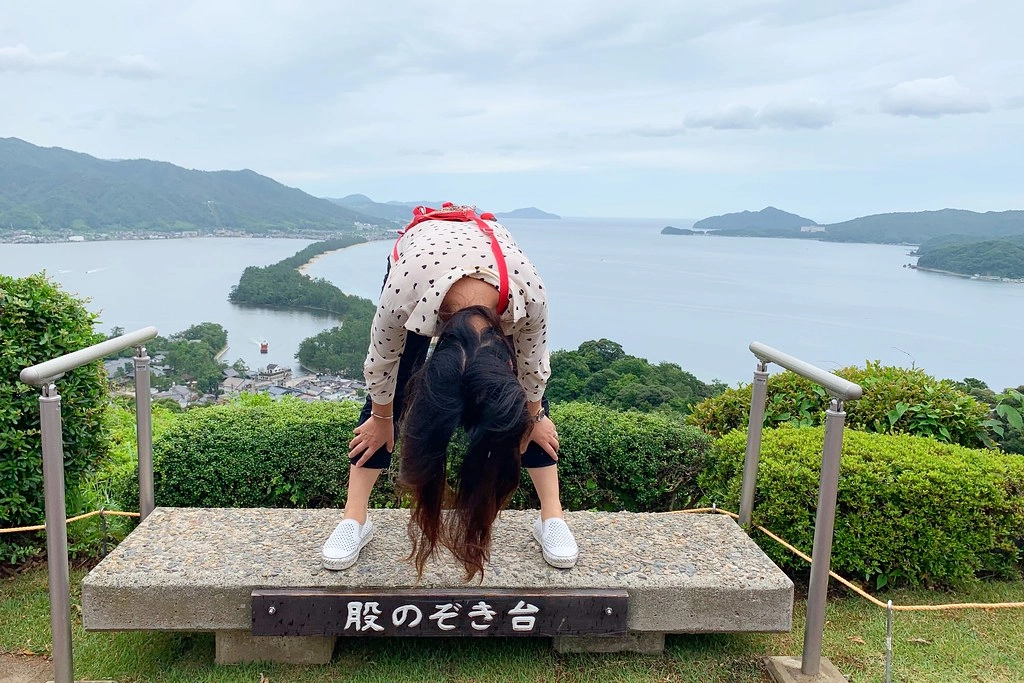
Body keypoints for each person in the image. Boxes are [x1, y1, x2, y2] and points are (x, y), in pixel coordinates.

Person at [320, 203, 578, 580]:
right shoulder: (403, 292)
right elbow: (380, 364)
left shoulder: (529, 293)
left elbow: (533, 368)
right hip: (423, 271)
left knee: (520, 405)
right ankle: (354, 519)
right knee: (387, 399)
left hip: (499, 281)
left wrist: (535, 416)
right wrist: (381, 417)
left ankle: (551, 516)